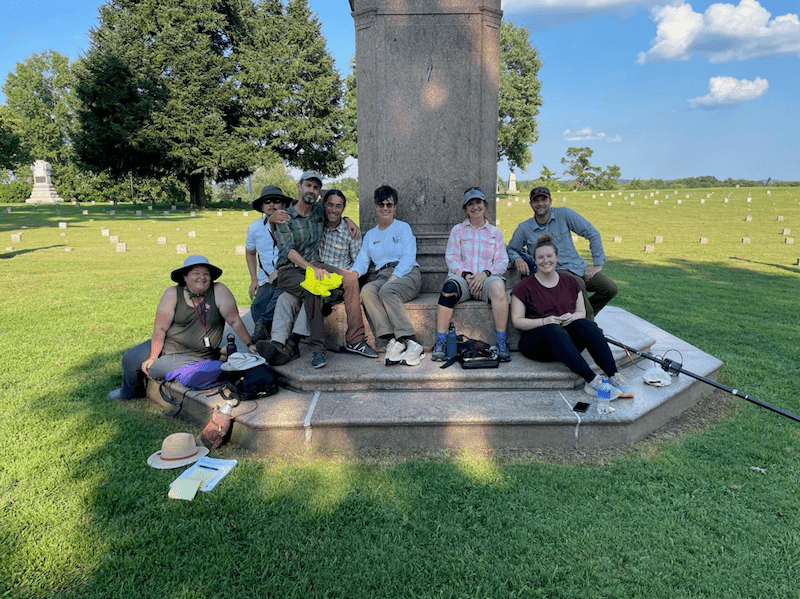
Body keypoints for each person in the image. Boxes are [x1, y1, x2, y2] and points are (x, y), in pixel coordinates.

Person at [108, 255, 257, 400]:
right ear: (185, 277)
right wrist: (153, 355)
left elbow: (235, 320)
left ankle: (205, 364)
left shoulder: (219, 290)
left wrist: (249, 344)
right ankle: (131, 393)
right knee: (130, 358)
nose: (202, 277)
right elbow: (160, 328)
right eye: (196, 273)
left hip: (198, 355)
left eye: (206, 274)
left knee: (153, 369)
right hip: (169, 344)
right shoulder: (172, 293)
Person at [271, 170, 376, 369]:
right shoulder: (284, 216)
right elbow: (288, 251)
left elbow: (335, 212)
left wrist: (347, 220)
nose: (312, 190)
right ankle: (317, 349)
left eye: (316, 187)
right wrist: (270, 219)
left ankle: (355, 340)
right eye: (308, 185)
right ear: (299, 186)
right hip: (290, 269)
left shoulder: (319, 211)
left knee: (350, 279)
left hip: (316, 266)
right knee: (313, 288)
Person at [510, 235, 633, 399]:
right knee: (553, 329)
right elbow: (517, 321)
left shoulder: (571, 282)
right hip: (537, 344)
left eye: (549, 256)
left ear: (557, 258)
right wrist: (545, 321)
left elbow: (581, 312)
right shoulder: (523, 287)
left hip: (568, 344)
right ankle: (592, 380)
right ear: (534, 260)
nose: (545, 261)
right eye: (540, 257)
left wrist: (572, 316)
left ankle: (613, 374)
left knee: (587, 325)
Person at [507, 186, 617, 320]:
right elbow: (512, 248)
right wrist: (518, 258)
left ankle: (578, 316)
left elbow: (592, 233)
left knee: (610, 288)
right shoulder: (524, 228)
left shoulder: (564, 214)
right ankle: (589, 323)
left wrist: (598, 264)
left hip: (578, 266)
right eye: (536, 201)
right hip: (554, 271)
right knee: (578, 284)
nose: (540, 203)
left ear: (550, 201)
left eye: (544, 199)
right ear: (531, 204)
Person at [431, 187, 511, 362]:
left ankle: (501, 341)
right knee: (449, 288)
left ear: (485, 205)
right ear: (465, 209)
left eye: (478, 202)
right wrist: (468, 276)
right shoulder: (458, 230)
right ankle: (441, 340)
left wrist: (485, 274)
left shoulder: (495, 233)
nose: (475, 207)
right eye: (470, 204)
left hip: (487, 280)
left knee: (499, 286)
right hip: (463, 280)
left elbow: (502, 261)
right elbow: (451, 258)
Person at [350, 185, 424, 366]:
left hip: (407, 273)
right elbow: (362, 261)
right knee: (367, 290)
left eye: (389, 204)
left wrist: (394, 277)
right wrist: (352, 273)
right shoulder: (370, 236)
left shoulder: (403, 228)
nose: (385, 208)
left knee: (386, 290)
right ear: (376, 206)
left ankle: (412, 342)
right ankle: (393, 340)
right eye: (381, 204)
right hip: (382, 274)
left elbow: (408, 257)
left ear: (395, 207)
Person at [245, 185, 292, 343]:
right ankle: (264, 335)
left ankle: (263, 327)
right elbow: (250, 252)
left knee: (278, 299)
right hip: (266, 278)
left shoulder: (292, 223)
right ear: (262, 207)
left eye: (276, 201)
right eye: (267, 202)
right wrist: (254, 280)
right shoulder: (254, 228)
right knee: (257, 306)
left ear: (283, 205)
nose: (272, 204)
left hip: (287, 274)